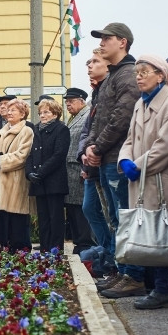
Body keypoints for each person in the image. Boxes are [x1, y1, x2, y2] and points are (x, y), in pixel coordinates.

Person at [115, 55, 168, 308]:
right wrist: (125, 160)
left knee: (161, 233)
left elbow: (165, 146)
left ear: (161, 75)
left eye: (145, 71)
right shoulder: (140, 104)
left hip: (161, 177)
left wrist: (137, 164)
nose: (139, 76)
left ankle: (166, 289)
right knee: (148, 232)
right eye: (137, 72)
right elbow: (130, 139)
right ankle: (160, 288)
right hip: (143, 177)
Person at [83, 23, 144, 297]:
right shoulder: (112, 77)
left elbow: (123, 117)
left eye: (107, 38)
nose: (102, 43)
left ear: (122, 42)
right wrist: (92, 147)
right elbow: (98, 119)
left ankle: (134, 276)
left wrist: (98, 146)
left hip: (120, 157)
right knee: (117, 220)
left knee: (125, 218)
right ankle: (122, 271)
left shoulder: (128, 74)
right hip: (107, 155)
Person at [80, 51, 116, 275]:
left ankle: (112, 256)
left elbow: (113, 125)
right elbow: (88, 130)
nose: (89, 67)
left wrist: (94, 150)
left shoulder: (109, 91)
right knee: (91, 208)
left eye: (95, 62)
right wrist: (84, 152)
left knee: (112, 214)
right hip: (91, 162)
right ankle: (107, 250)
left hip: (105, 159)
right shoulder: (96, 95)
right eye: (89, 63)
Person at [0, 99, 35, 251]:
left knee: (17, 219)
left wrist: (0, 159)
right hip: (1, 181)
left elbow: (22, 156)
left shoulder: (26, 131)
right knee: (3, 218)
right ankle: (6, 248)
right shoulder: (1, 131)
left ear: (22, 113)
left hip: (16, 180)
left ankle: (20, 250)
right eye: (9, 109)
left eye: (13, 110)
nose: (9, 112)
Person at [27, 98, 71, 254]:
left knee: (55, 218)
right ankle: (44, 250)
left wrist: (40, 172)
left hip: (54, 181)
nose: (42, 115)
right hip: (39, 182)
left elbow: (59, 155)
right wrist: (29, 172)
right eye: (40, 112)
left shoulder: (61, 129)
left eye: (46, 112)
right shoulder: (36, 129)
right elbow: (31, 154)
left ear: (55, 113)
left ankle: (56, 250)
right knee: (43, 218)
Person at [63, 88, 96, 254]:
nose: (68, 104)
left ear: (82, 101)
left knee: (81, 208)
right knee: (72, 207)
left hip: (79, 168)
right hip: (69, 170)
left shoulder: (87, 115)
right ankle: (78, 241)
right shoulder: (73, 118)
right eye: (66, 101)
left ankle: (85, 242)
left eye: (71, 101)